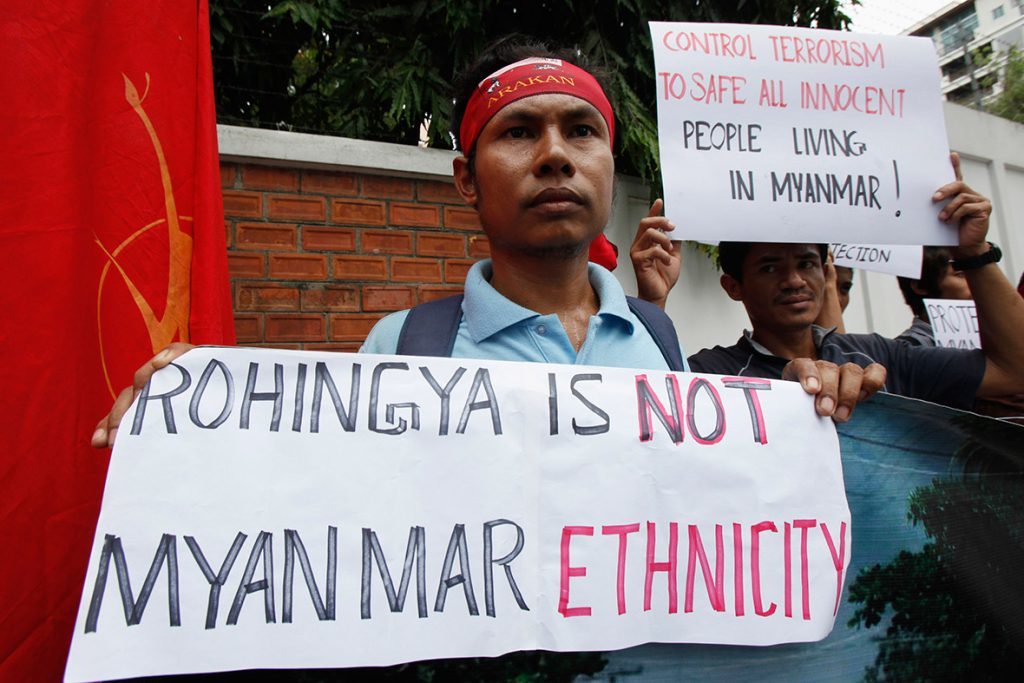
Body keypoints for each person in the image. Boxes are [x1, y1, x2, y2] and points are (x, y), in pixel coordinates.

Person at [92, 37, 881, 448]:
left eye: (582, 130)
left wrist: (819, 407)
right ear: (467, 180)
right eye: (519, 132)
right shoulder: (402, 350)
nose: (555, 155)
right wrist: (198, 421)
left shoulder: (661, 341)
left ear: (610, 166)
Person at [687, 154, 1024, 413]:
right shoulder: (708, 374)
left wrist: (973, 252)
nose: (794, 280)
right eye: (770, 268)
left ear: (825, 272)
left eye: (806, 263)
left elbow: (1013, 372)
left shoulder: (881, 356)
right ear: (733, 286)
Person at [895, 245, 968, 346]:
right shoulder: (905, 351)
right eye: (960, 274)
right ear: (921, 286)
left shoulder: (987, 337)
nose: (977, 280)